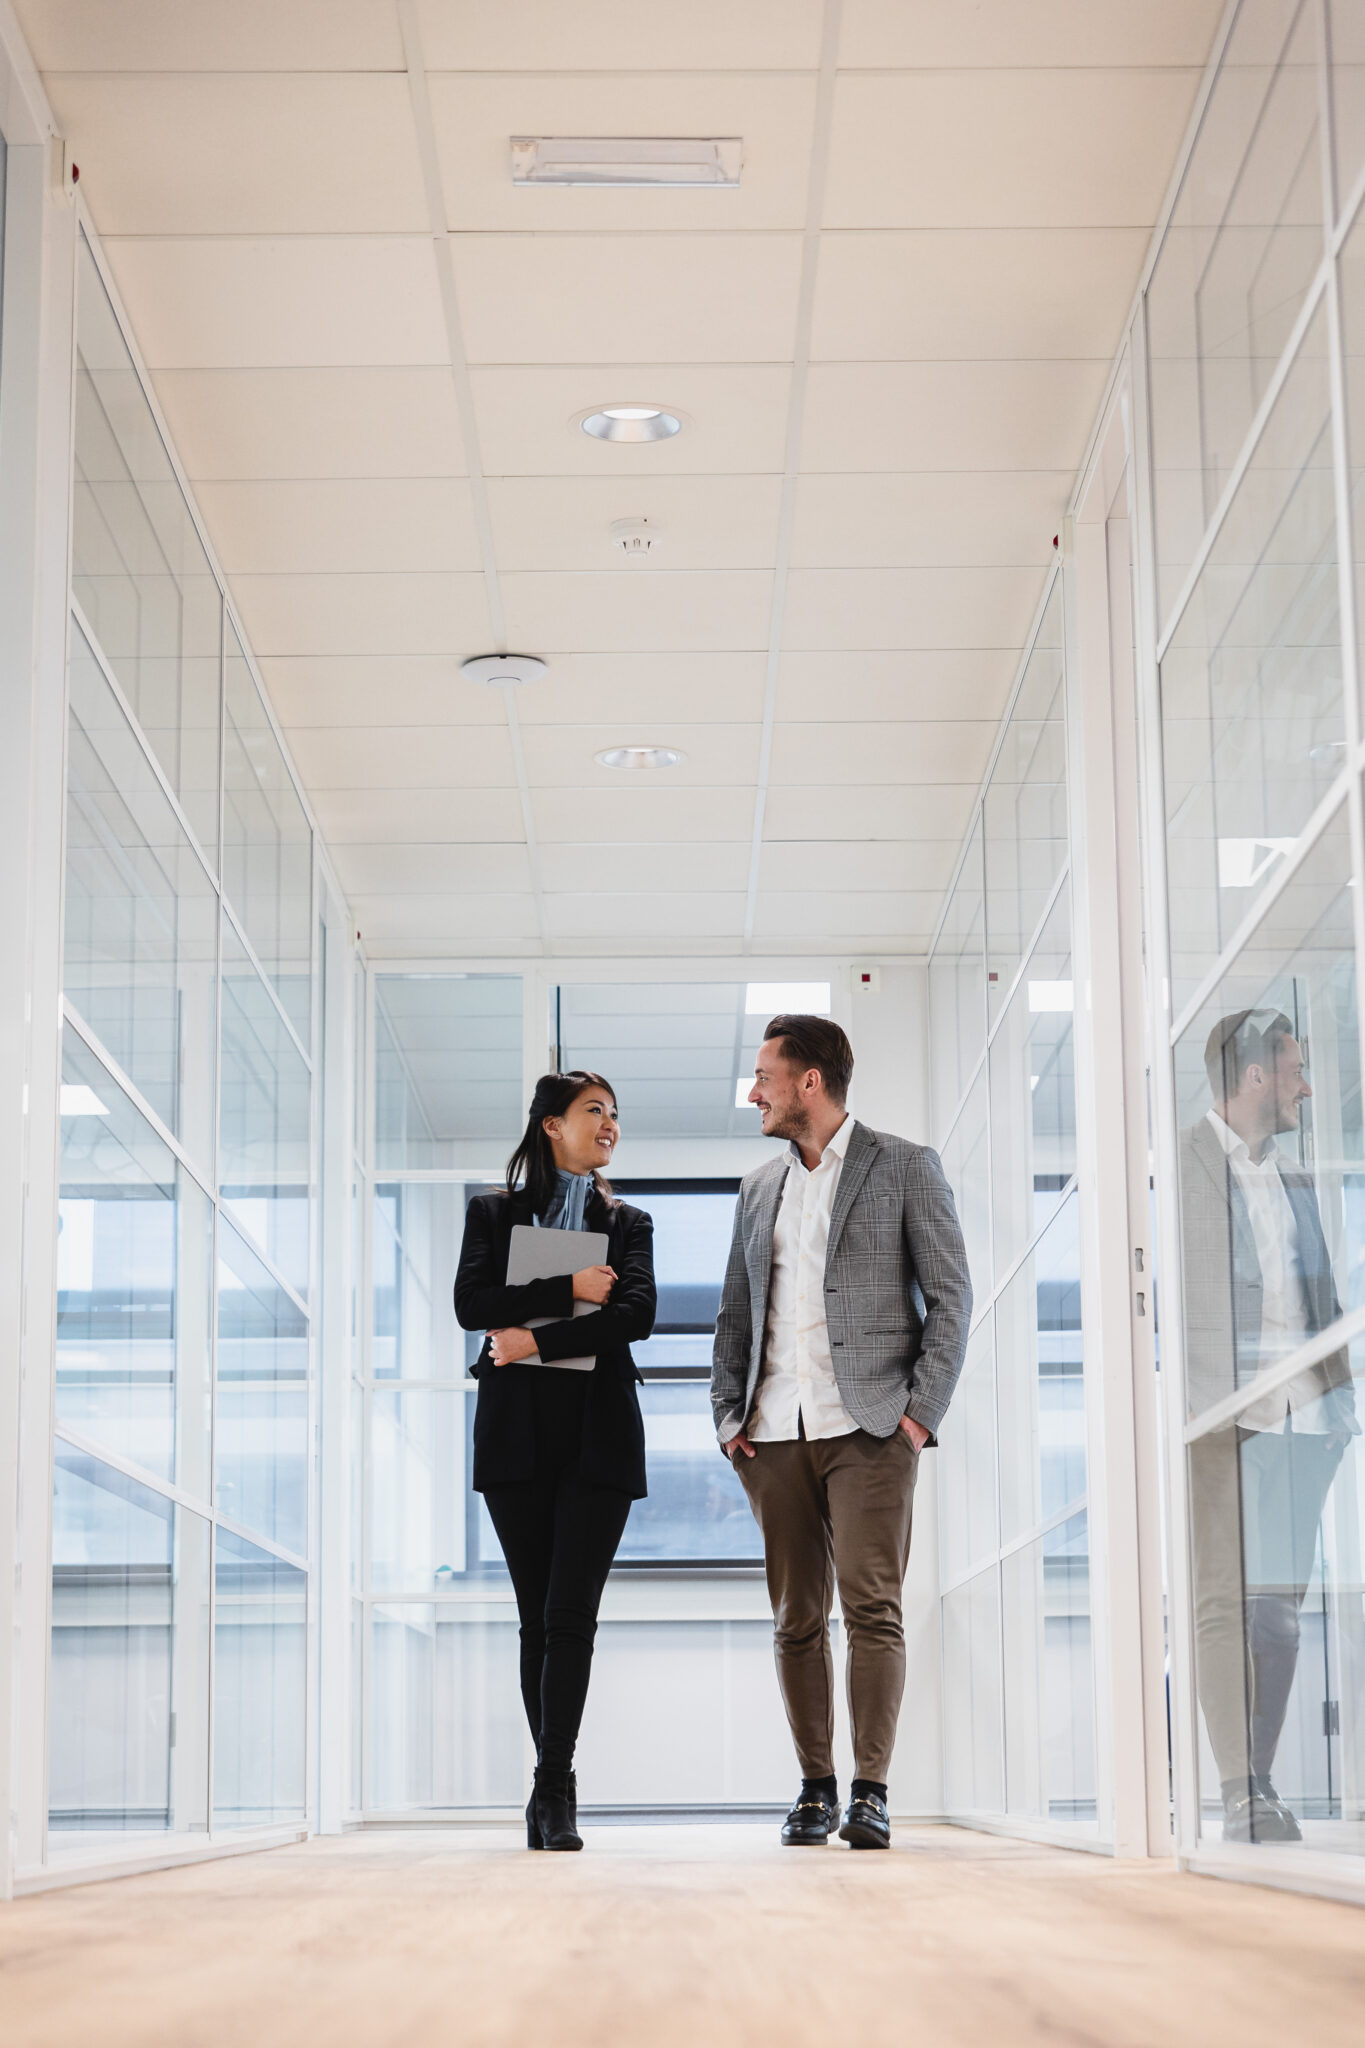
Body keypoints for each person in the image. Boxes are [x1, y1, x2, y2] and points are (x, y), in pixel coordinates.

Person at [711, 1014, 971, 1849]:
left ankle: (870, 1792)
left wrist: (916, 1417)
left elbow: (951, 1299)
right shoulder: (758, 1187)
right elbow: (734, 1313)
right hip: (773, 1431)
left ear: (809, 1082)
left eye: (765, 1076)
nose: (754, 1092)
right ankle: (815, 1788)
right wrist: (728, 1417)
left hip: (868, 1428)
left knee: (872, 1610)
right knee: (795, 1618)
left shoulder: (903, 1167)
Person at [454, 1071, 655, 1851]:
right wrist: (568, 1287)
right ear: (550, 1126)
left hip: (598, 1436)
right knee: (536, 1620)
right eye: (593, 1111)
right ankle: (551, 1788)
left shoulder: (628, 1221)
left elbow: (636, 1315)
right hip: (517, 1438)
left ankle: (553, 1787)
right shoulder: (492, 1212)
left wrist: (536, 1335)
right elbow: (472, 1306)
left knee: (571, 1617)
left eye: (613, 1113)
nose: (608, 1124)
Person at [1180, 1008, 1357, 1844]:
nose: (1304, 1088)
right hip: (1222, 1417)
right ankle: (1233, 1787)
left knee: (1280, 1612)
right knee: (1222, 1600)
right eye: (1293, 1071)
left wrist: (1341, 1409)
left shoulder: (1290, 1174)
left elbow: (1316, 1302)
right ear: (1254, 1077)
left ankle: (1262, 1780)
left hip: (1304, 1422)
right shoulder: (1180, 1164)